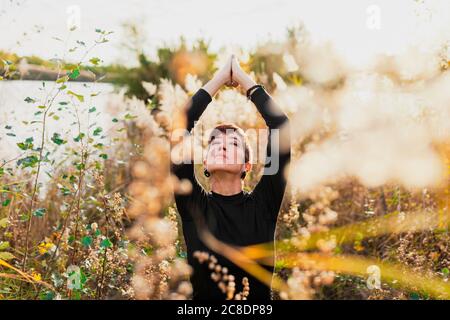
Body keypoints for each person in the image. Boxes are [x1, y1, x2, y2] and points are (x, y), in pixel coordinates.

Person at [171, 54, 291, 300]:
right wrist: (218, 79)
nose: (222, 146)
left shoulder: (263, 205)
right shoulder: (193, 205)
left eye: (234, 143)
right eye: (214, 142)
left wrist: (244, 79)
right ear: (205, 161)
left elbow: (280, 126)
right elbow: (179, 127)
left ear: (247, 165)